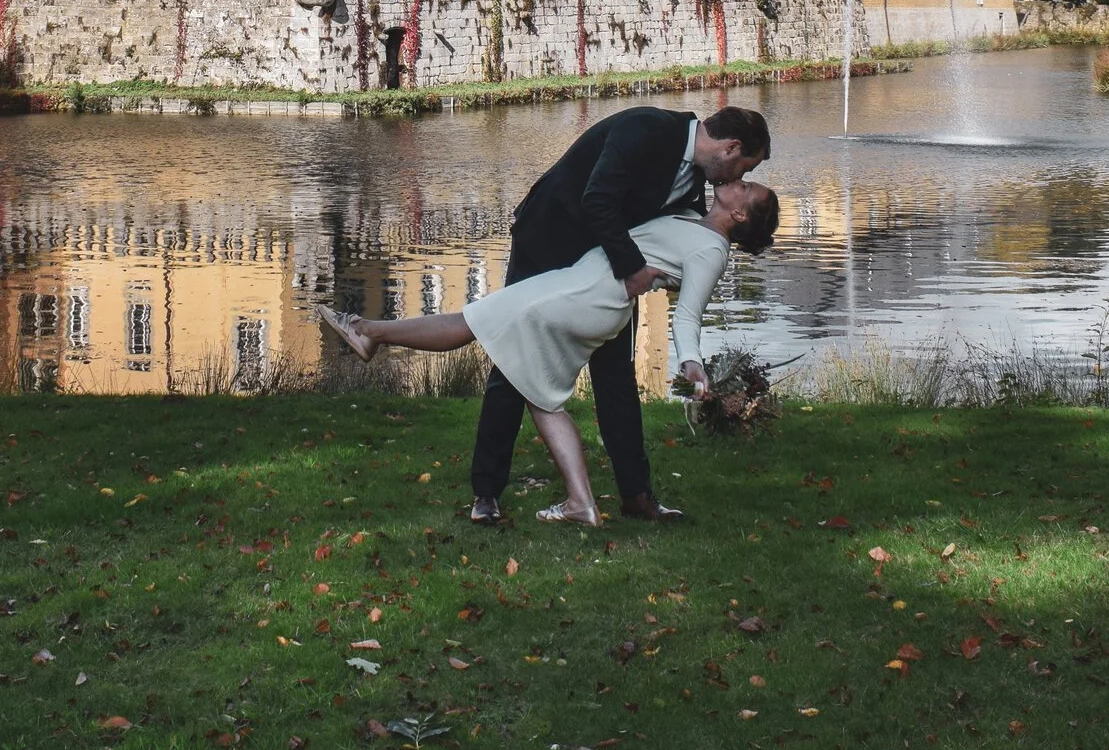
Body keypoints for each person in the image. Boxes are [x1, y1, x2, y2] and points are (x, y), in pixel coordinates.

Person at [317, 178, 780, 525]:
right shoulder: (692, 219)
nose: (738, 182)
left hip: (587, 296)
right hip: (585, 287)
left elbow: (689, 315)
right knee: (536, 389)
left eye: (746, 189)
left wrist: (691, 362)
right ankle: (581, 502)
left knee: (475, 320)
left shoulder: (711, 251)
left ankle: (369, 331)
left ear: (740, 215)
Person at [473, 103, 770, 525]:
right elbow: (597, 199)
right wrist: (634, 269)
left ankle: (637, 496)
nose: (737, 178)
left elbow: (673, 233)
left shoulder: (695, 179)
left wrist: (672, 276)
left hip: (604, 271)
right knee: (510, 362)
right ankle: (486, 493)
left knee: (616, 376)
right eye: (745, 168)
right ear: (731, 148)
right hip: (548, 241)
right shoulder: (646, 128)